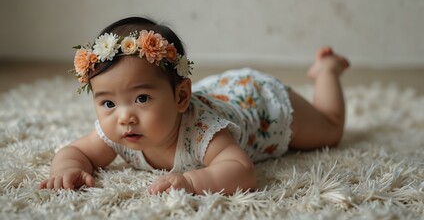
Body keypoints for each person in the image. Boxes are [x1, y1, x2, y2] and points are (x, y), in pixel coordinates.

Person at [39, 17, 350, 195]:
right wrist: (67, 168)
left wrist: (191, 181)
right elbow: (75, 152)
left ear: (180, 98)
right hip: (220, 91)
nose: (124, 117)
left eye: (142, 98)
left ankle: (327, 70)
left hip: (261, 103)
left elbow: (242, 171)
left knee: (330, 128)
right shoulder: (119, 133)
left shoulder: (203, 131)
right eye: (107, 103)